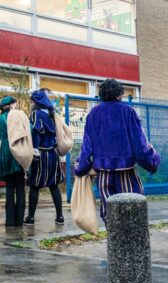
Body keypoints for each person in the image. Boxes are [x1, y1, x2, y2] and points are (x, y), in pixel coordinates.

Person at [75, 79, 160, 221]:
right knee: (132, 210)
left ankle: (115, 242)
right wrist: (152, 161)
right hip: (126, 171)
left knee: (110, 212)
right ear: (120, 94)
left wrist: (80, 167)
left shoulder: (93, 114)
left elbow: (87, 146)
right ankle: (133, 241)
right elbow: (140, 143)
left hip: (103, 174)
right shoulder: (127, 111)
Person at [24, 89, 64, 225]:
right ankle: (60, 217)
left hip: (41, 154)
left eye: (33, 101)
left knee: (35, 185)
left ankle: (30, 217)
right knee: (54, 185)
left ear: (36, 101)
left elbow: (36, 131)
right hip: (53, 153)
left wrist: (34, 150)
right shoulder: (52, 113)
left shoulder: (36, 114)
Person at [0, 96, 26, 227]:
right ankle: (20, 220)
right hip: (20, 150)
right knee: (21, 188)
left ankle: (10, 221)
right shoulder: (19, 117)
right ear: (11, 105)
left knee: (10, 189)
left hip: (6, 153)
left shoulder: (0, 119)